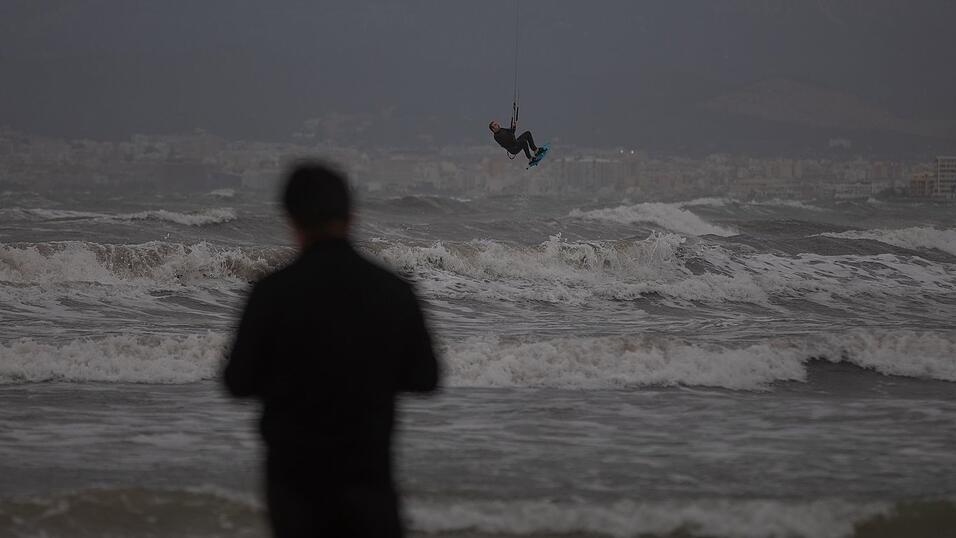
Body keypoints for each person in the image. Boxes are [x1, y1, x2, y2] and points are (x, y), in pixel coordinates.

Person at [223, 161, 440, 538]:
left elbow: (237, 382)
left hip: (294, 485)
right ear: (351, 215)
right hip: (369, 477)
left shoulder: (272, 293)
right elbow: (426, 378)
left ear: (291, 219)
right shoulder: (392, 290)